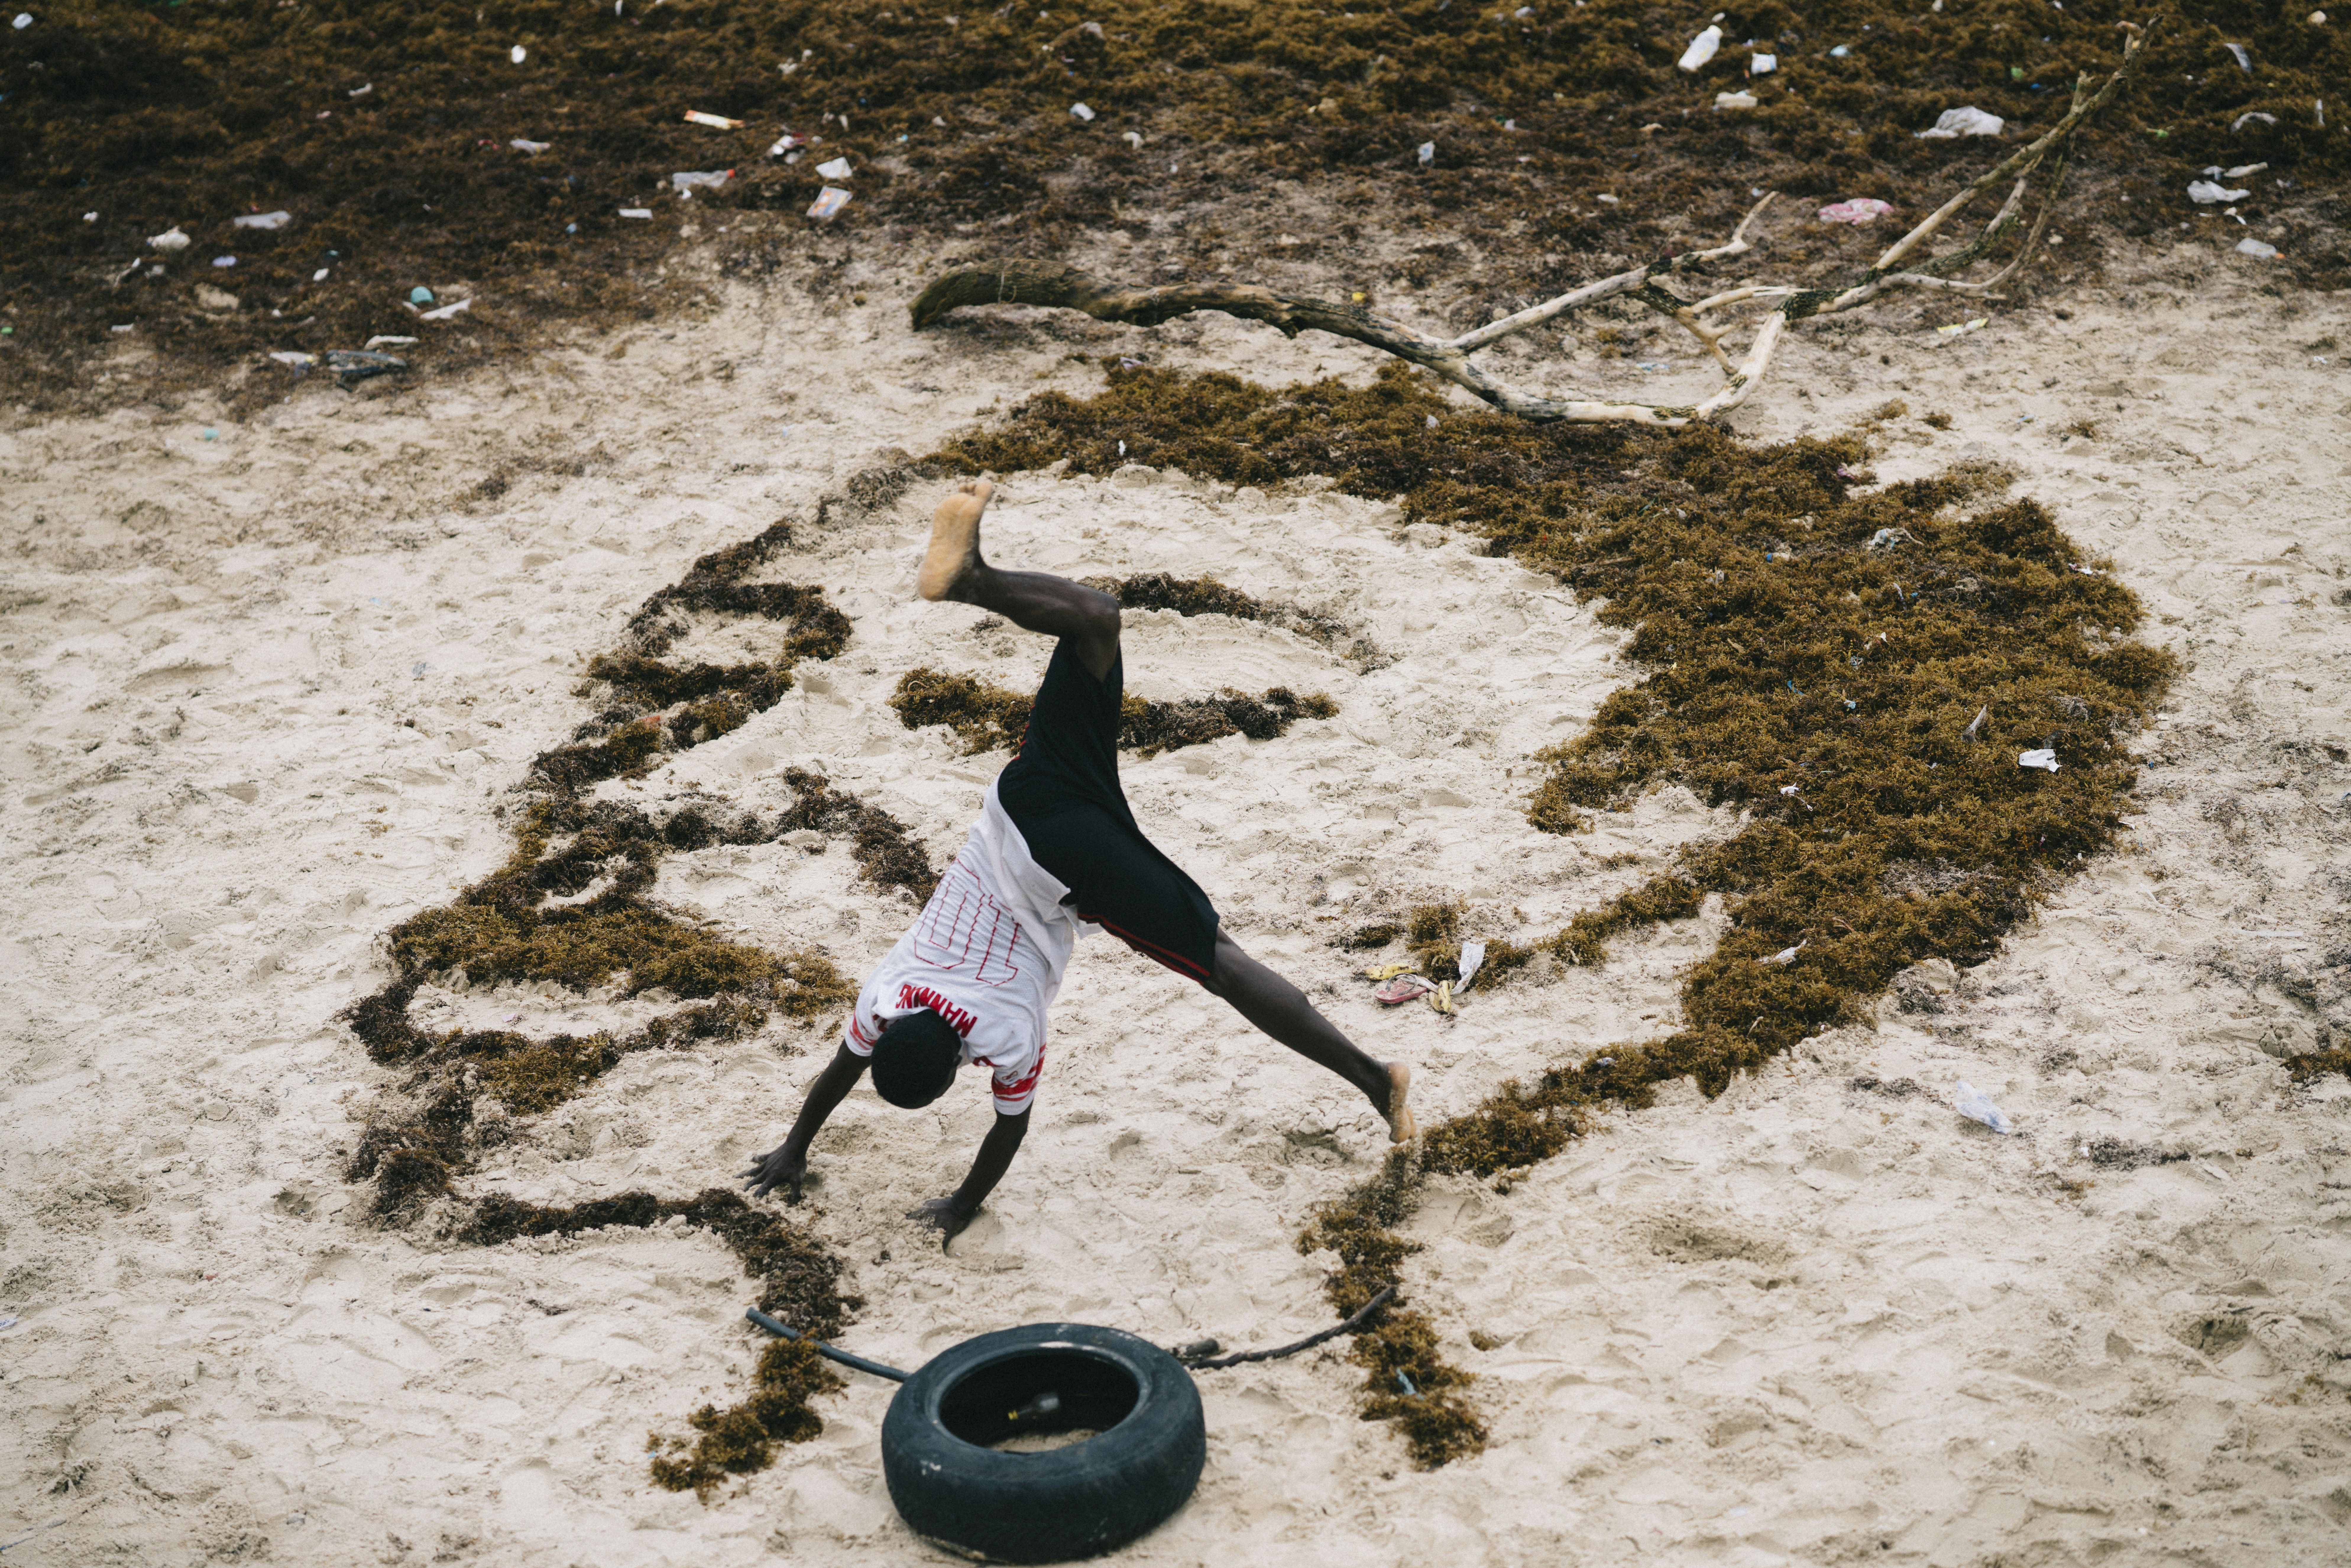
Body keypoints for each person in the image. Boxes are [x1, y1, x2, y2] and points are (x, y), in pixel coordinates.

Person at [741, 479, 1415, 1248]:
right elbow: (843, 1068)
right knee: (1097, 623)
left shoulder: (1003, 1035)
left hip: (1064, 865)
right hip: (1023, 797)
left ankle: (1376, 1082)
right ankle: (976, 581)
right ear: (898, 1020)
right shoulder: (884, 995)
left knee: (1219, 961)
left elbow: (1004, 1133)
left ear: (962, 1060)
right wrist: (799, 1140)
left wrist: (955, 1204)